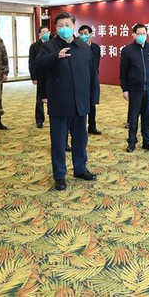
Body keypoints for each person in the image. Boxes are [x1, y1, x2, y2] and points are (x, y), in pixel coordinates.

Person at [36, 12, 99, 191]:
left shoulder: (84, 47)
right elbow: (38, 64)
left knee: (80, 139)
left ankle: (80, 169)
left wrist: (93, 98)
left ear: (73, 26)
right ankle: (59, 176)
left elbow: (93, 74)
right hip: (59, 101)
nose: (64, 28)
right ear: (56, 28)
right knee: (58, 142)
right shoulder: (49, 46)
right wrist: (56, 56)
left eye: (68, 25)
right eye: (60, 25)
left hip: (81, 102)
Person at [119, 23, 149, 153]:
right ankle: (132, 142)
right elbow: (123, 72)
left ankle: (147, 141)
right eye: (139, 34)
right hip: (134, 90)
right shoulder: (127, 50)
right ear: (134, 35)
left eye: (144, 33)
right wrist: (125, 89)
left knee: (147, 116)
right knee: (133, 117)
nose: (142, 36)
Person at [78, 24, 102, 135]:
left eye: (85, 33)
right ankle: (78, 128)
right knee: (80, 104)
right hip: (80, 80)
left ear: (91, 34)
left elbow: (96, 64)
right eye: (81, 34)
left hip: (92, 79)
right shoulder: (76, 46)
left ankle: (92, 127)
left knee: (92, 104)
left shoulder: (96, 47)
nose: (83, 35)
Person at [28, 25, 50, 129]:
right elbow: (32, 62)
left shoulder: (53, 44)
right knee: (40, 98)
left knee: (53, 97)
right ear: (39, 34)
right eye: (43, 32)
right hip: (40, 75)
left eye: (47, 31)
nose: (46, 33)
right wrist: (34, 77)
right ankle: (39, 120)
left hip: (52, 74)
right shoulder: (34, 46)